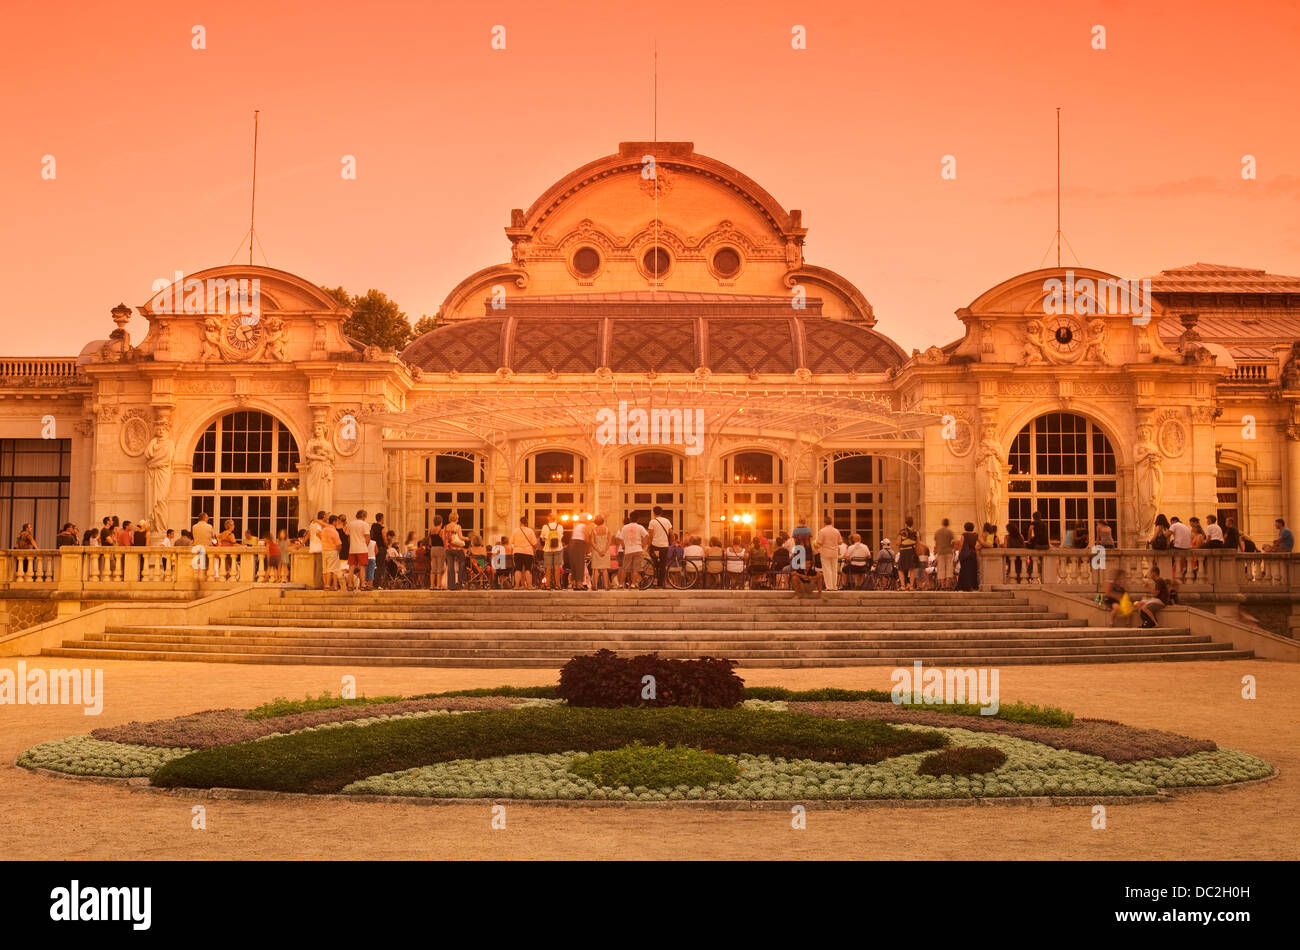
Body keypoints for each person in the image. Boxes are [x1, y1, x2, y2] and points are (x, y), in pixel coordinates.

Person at [617, 515, 648, 589]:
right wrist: (643, 545)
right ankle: (633, 584)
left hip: (628, 550)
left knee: (625, 568)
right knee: (636, 568)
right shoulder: (640, 527)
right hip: (638, 549)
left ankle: (621, 585)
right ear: (638, 519)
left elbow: (620, 539)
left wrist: (624, 547)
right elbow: (647, 536)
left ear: (630, 518)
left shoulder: (625, 527)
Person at [646, 506, 673, 588]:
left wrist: (649, 545)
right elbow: (671, 533)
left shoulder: (652, 522)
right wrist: (671, 543)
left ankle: (655, 578)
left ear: (653, 512)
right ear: (661, 512)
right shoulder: (667, 521)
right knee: (662, 565)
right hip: (664, 546)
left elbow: (650, 535)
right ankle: (660, 584)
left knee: (655, 564)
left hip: (655, 546)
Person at [815, 516, 843, 591]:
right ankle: (834, 586)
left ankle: (829, 586)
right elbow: (840, 542)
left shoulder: (822, 531)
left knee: (827, 569)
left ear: (824, 522)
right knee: (834, 569)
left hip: (825, 552)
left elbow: (819, 542)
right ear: (831, 522)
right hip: (834, 552)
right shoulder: (836, 531)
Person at [539, 511, 565, 590]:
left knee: (548, 567)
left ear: (548, 518)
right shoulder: (560, 526)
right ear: (556, 518)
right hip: (558, 548)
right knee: (557, 567)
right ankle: (558, 584)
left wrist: (547, 539)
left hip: (548, 549)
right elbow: (560, 537)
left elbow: (542, 539)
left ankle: (547, 585)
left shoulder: (545, 527)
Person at [510, 516, 538, 590]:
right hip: (528, 552)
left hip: (517, 551)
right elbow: (534, 543)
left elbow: (511, 542)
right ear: (526, 522)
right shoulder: (530, 531)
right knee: (528, 569)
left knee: (518, 569)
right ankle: (529, 585)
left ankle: (516, 586)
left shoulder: (515, 531)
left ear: (520, 522)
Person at [346, 510, 370, 592]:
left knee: (351, 567)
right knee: (362, 566)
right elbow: (367, 537)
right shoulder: (365, 524)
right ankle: (363, 584)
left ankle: (349, 585)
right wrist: (365, 546)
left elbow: (348, 537)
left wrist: (352, 544)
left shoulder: (350, 524)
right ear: (364, 516)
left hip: (352, 549)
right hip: (362, 548)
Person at [444, 511, 467, 590]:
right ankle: (460, 581)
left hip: (448, 549)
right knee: (462, 562)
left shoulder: (446, 527)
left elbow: (444, 539)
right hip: (457, 548)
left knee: (450, 567)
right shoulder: (458, 526)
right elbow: (460, 537)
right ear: (456, 518)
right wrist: (467, 538)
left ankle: (451, 585)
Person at [588, 515, 611, 590]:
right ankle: (606, 586)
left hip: (596, 551)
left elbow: (592, 542)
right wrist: (604, 550)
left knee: (596, 569)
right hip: (605, 551)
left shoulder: (594, 530)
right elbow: (609, 541)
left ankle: (595, 586)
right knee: (605, 569)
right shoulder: (607, 529)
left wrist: (598, 550)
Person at [896, 517, 919, 590]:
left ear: (905, 523)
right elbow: (918, 543)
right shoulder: (916, 532)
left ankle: (903, 586)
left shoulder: (902, 531)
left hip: (904, 551)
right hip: (912, 551)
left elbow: (898, 543)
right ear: (912, 523)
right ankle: (911, 586)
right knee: (912, 568)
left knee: (900, 568)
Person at [320, 514, 342, 591]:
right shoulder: (334, 531)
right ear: (334, 522)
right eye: (337, 521)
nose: (337, 523)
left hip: (324, 550)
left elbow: (320, 537)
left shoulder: (324, 530)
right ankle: (328, 585)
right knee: (331, 568)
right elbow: (339, 544)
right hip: (332, 550)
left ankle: (326, 584)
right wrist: (338, 551)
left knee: (325, 569)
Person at [956, 521, 980, 591]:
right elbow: (982, 542)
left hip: (965, 555)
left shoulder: (964, 535)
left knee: (964, 570)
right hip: (973, 554)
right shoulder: (976, 535)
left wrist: (959, 554)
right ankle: (972, 586)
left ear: (965, 528)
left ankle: (965, 587)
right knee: (972, 570)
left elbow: (961, 545)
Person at [568, 515, 590, 591]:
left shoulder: (576, 526)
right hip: (579, 544)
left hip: (572, 544)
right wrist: (588, 549)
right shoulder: (584, 526)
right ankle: (580, 584)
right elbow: (587, 538)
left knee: (574, 564)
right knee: (580, 564)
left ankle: (574, 583)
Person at [1026, 511, 1049, 581]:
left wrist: (1029, 539)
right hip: (1046, 545)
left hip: (1038, 544)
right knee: (1043, 561)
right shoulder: (1044, 524)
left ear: (1033, 517)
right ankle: (1044, 576)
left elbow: (1030, 529)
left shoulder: (1034, 523)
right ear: (1040, 517)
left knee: (1033, 559)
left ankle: (1029, 575)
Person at [933, 519, 954, 590]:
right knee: (949, 567)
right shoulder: (950, 532)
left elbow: (936, 543)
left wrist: (936, 551)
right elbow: (952, 542)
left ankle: (942, 585)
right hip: (948, 551)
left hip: (940, 552)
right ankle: (947, 584)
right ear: (948, 524)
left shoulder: (937, 532)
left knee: (941, 568)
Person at [428, 515, 446, 589]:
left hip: (433, 549)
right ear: (441, 522)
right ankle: (438, 585)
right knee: (439, 567)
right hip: (440, 549)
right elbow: (443, 540)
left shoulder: (431, 530)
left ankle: (432, 585)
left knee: (433, 568)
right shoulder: (441, 531)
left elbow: (429, 542)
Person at [370, 513, 387, 583]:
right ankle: (377, 582)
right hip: (380, 548)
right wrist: (387, 546)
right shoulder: (382, 528)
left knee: (373, 565)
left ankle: (372, 581)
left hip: (373, 547)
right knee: (380, 566)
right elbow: (384, 539)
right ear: (382, 518)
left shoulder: (373, 527)